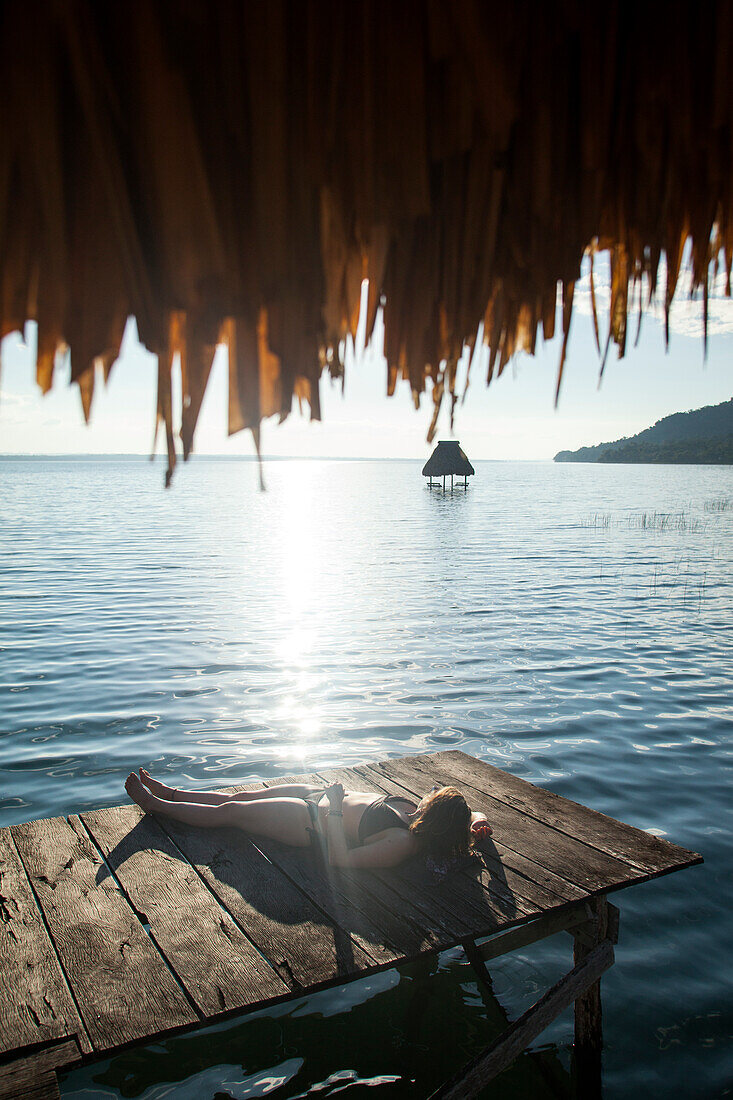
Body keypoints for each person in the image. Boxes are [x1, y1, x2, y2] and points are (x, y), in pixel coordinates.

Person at [125, 769, 492, 870]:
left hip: (310, 823)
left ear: (436, 811)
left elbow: (340, 860)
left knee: (231, 813)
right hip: (318, 796)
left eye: (435, 794)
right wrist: (478, 823)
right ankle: (173, 793)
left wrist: (333, 808)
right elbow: (473, 813)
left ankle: (157, 806)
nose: (429, 791)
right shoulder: (417, 812)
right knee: (240, 797)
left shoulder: (403, 841)